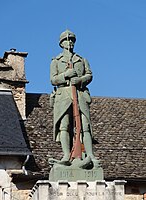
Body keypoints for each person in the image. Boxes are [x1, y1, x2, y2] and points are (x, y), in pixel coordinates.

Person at [50, 29, 96, 164]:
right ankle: (66, 155)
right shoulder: (56, 61)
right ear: (61, 43)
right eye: (66, 40)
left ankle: (90, 155)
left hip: (80, 94)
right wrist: (66, 75)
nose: (69, 43)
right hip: (63, 95)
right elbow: (53, 80)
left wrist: (79, 80)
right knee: (64, 125)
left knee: (85, 125)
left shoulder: (81, 60)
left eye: (72, 40)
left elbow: (89, 75)